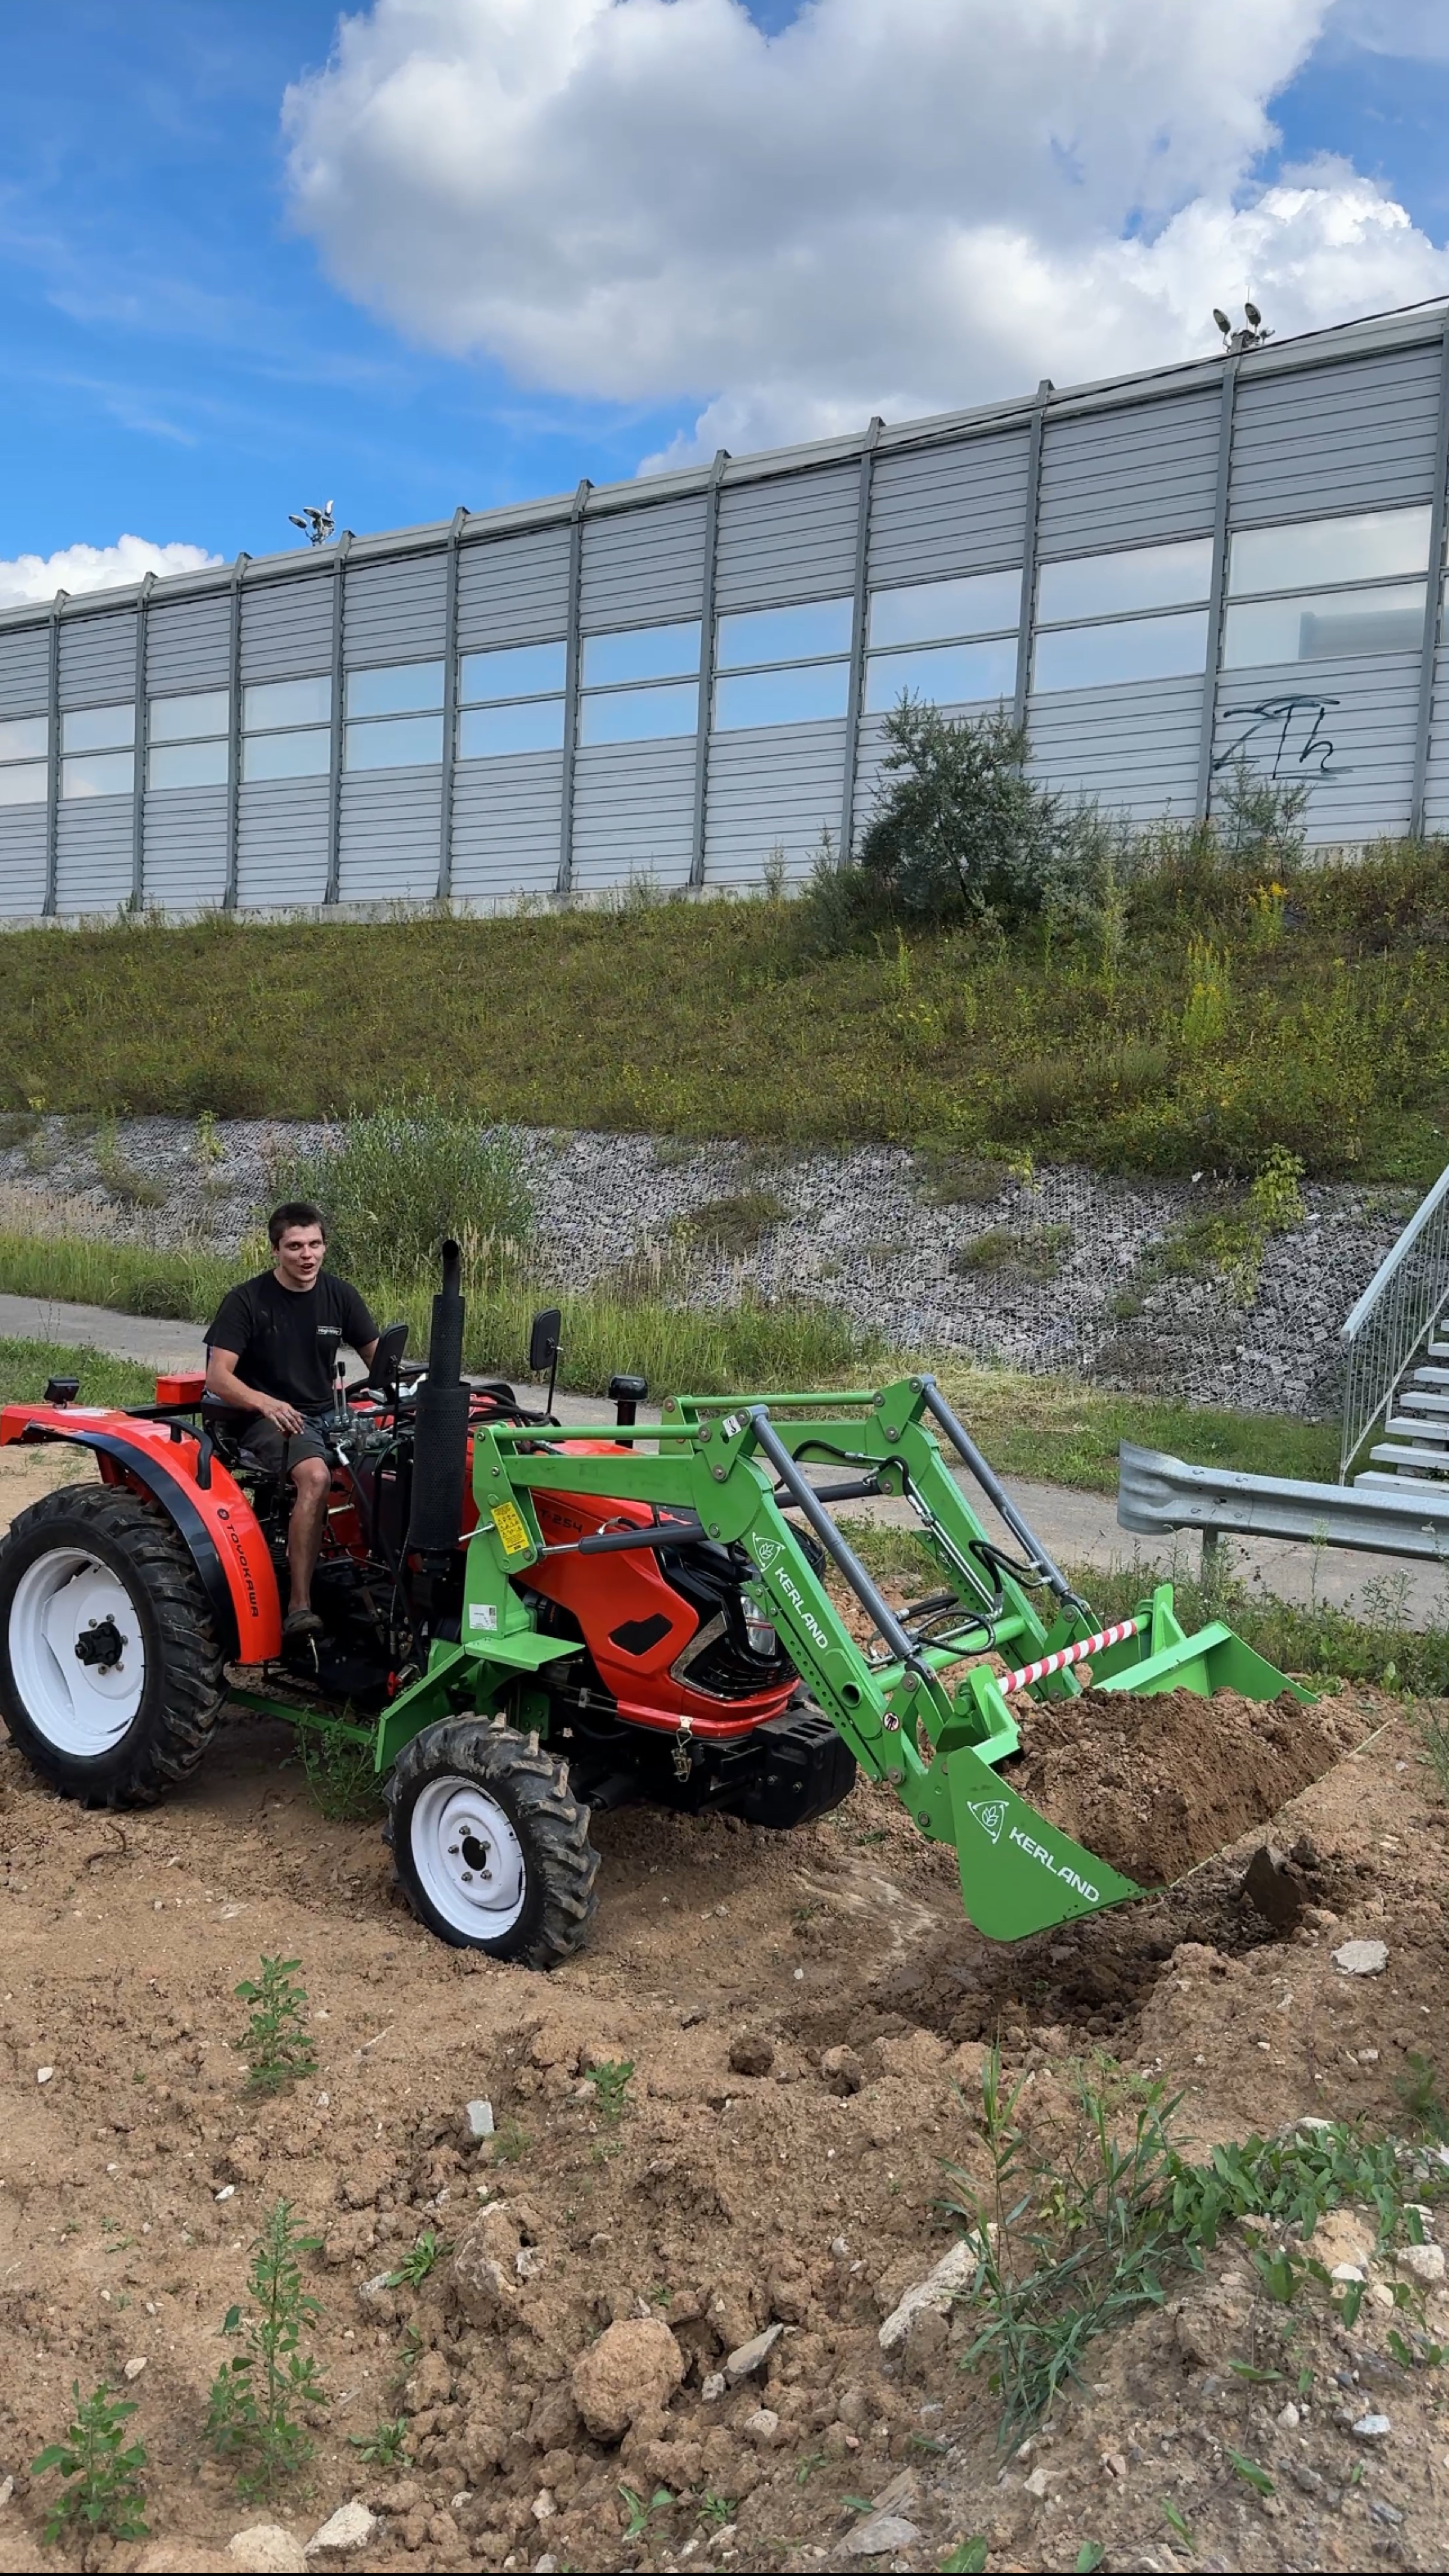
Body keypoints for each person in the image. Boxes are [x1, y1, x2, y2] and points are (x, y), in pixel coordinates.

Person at [206, 1202, 378, 1641]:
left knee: (389, 1459)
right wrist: (265, 1402)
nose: (308, 1255)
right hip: (264, 1419)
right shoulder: (247, 1300)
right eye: (296, 1246)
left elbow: (382, 1363)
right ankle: (299, 1605)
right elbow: (219, 1376)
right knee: (317, 1476)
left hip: (327, 1412)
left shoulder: (341, 1295)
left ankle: (380, 1581)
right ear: (275, 1250)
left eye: (316, 1244)